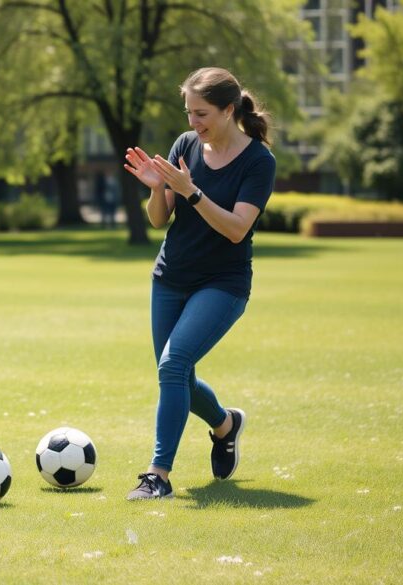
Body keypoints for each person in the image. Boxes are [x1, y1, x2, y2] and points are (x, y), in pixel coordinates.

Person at [122, 67, 276, 500]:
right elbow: (158, 220)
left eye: (202, 113)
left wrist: (192, 192)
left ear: (229, 110)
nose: (193, 124)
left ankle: (158, 476)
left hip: (222, 284)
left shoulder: (258, 162)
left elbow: (236, 229)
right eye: (189, 113)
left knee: (173, 367)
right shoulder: (185, 145)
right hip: (170, 277)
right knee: (177, 375)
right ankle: (226, 424)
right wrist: (157, 189)